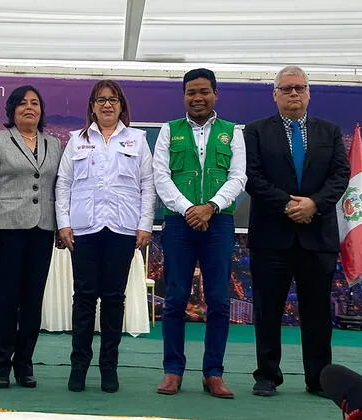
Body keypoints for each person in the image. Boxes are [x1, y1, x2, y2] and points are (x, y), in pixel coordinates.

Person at [244, 65, 349, 397]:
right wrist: (289, 204)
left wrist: (314, 205)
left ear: (309, 93)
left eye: (299, 88)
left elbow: (340, 175)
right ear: (274, 94)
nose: (293, 94)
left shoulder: (329, 132)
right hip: (272, 237)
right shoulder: (256, 132)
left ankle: (318, 378)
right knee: (267, 309)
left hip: (317, 237)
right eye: (286, 88)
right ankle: (267, 375)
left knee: (317, 312)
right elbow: (252, 176)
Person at [56, 80, 154, 393]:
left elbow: (148, 185)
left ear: (122, 105)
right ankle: (78, 367)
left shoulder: (137, 140)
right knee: (83, 299)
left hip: (123, 229)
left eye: (113, 100)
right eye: (101, 100)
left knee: (114, 300)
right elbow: (63, 184)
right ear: (93, 106)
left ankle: (108, 368)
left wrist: (145, 224)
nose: (107, 105)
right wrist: (64, 223)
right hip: (84, 229)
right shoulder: (77, 140)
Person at [153, 68, 246, 398]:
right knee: (176, 298)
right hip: (179, 222)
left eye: (204, 91)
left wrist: (211, 207)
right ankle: (173, 371)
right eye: (191, 92)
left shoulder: (232, 132)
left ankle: (213, 373)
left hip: (218, 222)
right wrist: (189, 209)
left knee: (219, 300)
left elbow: (238, 178)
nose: (198, 97)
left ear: (215, 94)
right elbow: (160, 176)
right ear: (184, 96)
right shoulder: (169, 131)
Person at [0, 85, 62, 389]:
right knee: (5, 300)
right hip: (5, 231)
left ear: (42, 110)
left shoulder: (54, 143)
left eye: (35, 103)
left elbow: (58, 188)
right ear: (11, 110)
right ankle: (0, 366)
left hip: (42, 231)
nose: (29, 108)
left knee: (32, 301)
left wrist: (61, 226)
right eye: (22, 103)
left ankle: (24, 364)